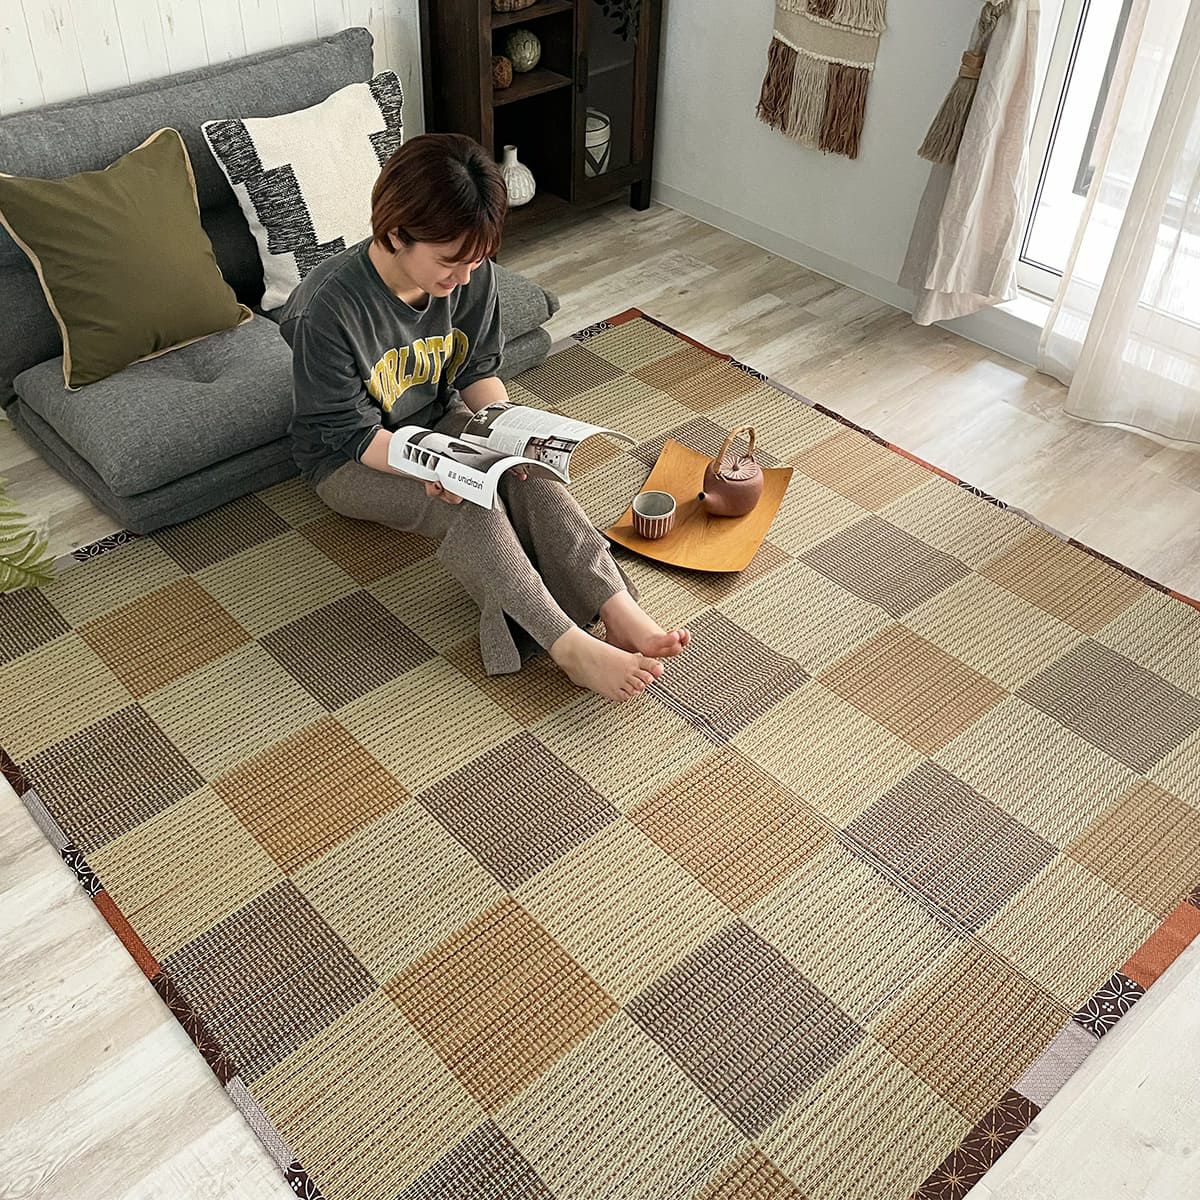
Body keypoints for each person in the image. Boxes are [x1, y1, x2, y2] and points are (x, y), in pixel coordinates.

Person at [278, 133, 690, 702]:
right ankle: (567, 645)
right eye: (451, 262)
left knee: (529, 473)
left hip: (438, 419)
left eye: (477, 260)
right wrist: (433, 467)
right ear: (395, 234)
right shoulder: (326, 308)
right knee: (473, 500)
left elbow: (476, 371)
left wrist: (510, 429)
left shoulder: (471, 272)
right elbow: (348, 433)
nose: (466, 277)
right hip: (350, 459)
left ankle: (615, 608)